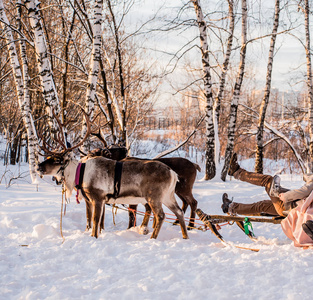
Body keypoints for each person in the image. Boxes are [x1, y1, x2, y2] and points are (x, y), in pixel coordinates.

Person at [222, 153, 313, 217]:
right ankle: (230, 207)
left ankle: (237, 172)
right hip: (292, 212)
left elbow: (304, 192)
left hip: (289, 208)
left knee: (268, 181)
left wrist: (284, 195)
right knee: (263, 205)